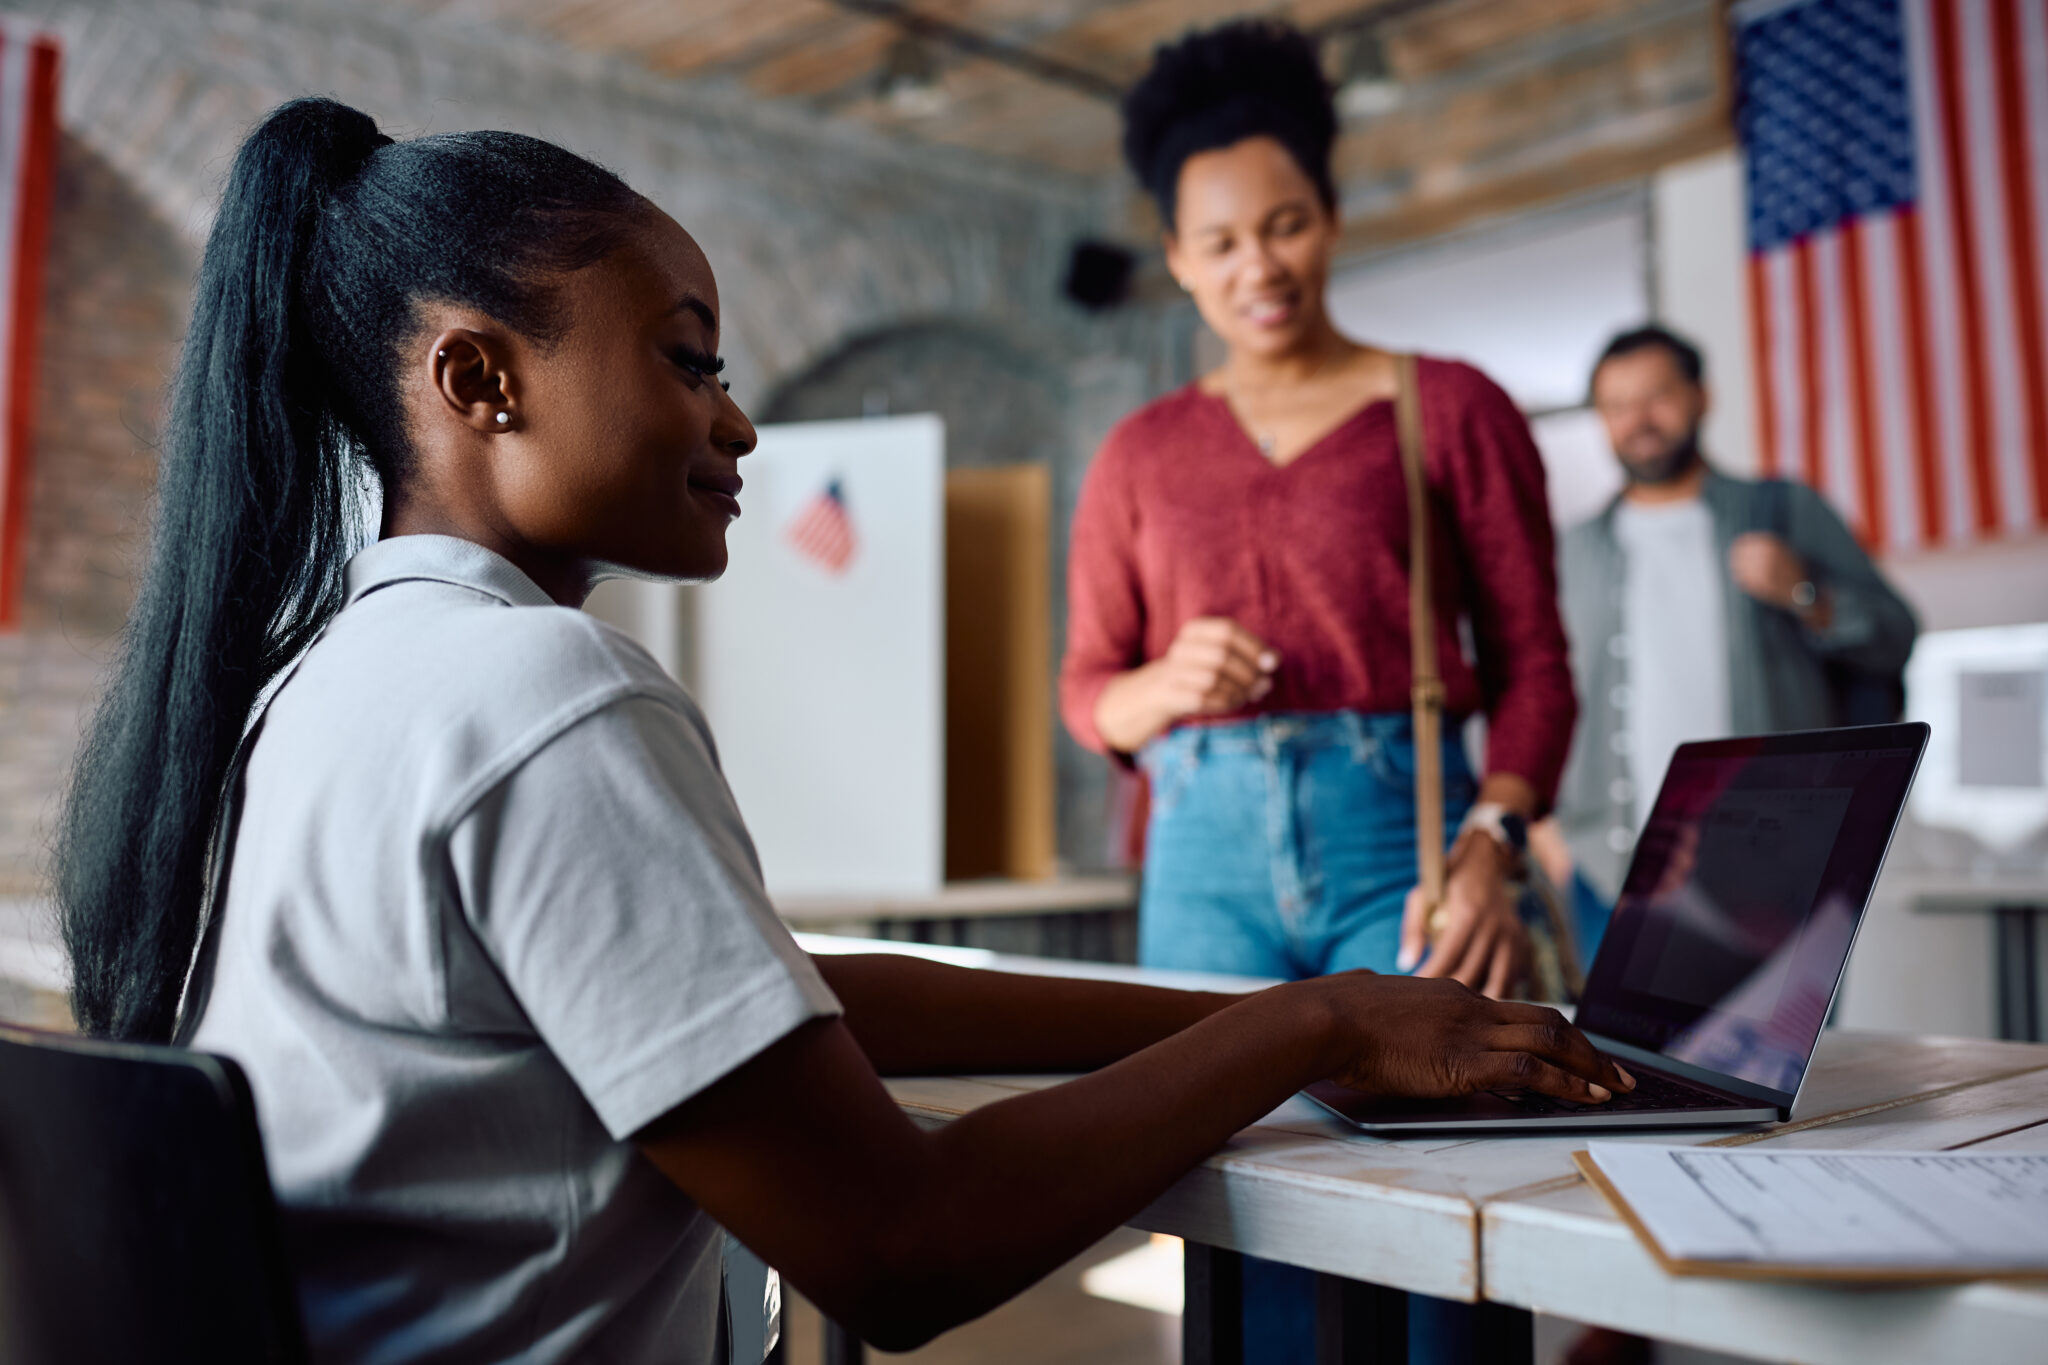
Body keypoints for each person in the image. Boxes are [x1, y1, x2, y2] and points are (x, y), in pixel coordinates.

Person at [49, 99, 1631, 1364]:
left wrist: (1276, 1005)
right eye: (687, 360)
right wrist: (1319, 1029)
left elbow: (780, 1004)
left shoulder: (318, 683)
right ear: (478, 377)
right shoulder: (540, 696)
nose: (740, 421)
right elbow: (903, 1247)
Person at [1057, 20, 1578, 1362]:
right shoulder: (1137, 454)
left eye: (1284, 226)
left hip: (1396, 840)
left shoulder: (1446, 408)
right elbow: (1086, 694)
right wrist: (1161, 684)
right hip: (1202, 853)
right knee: (1241, 1210)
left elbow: (1536, 670)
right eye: (1220, 243)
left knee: (1441, 1202)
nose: (1258, 267)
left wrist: (1491, 846)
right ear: (1176, 257)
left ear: (1332, 219)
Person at [1551, 325, 1920, 905]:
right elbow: (1543, 692)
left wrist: (1804, 593)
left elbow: (1895, 636)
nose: (1639, 420)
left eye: (1658, 396)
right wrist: (1550, 826)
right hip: (1614, 865)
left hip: (1779, 860)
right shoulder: (1572, 551)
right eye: (1617, 405)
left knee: (1786, 1003)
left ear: (1702, 396)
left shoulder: (1781, 508)